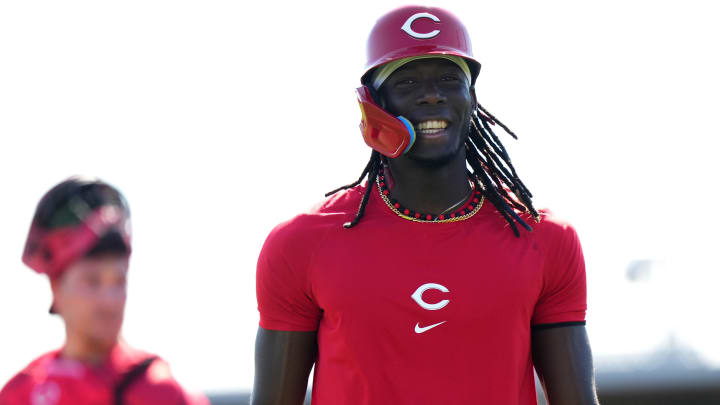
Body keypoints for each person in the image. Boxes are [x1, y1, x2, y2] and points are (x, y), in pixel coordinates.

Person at [252, 5, 599, 405]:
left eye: (450, 79)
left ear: (471, 98)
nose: (432, 94)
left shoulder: (544, 238)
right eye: (408, 81)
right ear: (372, 105)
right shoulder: (301, 244)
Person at [0, 177, 209, 405]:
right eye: (92, 281)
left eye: (119, 281)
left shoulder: (162, 393)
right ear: (56, 288)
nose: (110, 299)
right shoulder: (20, 393)